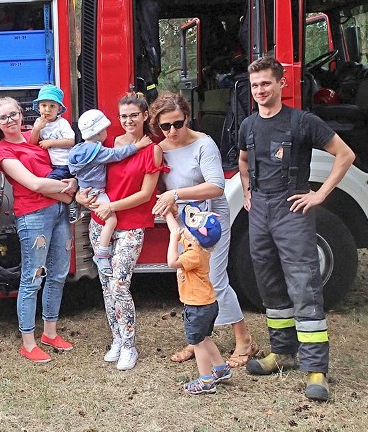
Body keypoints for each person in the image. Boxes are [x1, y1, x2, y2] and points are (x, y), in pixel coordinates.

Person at [238, 56, 355, 401]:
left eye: (266, 83)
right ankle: (282, 352)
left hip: (292, 209)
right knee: (269, 283)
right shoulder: (248, 126)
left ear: (281, 84)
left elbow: (345, 155)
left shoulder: (302, 121)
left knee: (304, 284)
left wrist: (319, 194)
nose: (260, 90)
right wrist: (247, 194)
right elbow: (244, 161)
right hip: (260, 210)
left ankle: (316, 368)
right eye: (255, 85)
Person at [150, 92, 259, 369]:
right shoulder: (161, 148)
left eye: (178, 123)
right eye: (166, 126)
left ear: (186, 117)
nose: (173, 131)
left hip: (211, 220)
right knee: (187, 278)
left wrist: (174, 194)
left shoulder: (203, 144)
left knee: (214, 278)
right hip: (186, 218)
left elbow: (216, 185)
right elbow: (159, 186)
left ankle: (244, 339)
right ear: (157, 126)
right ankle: (197, 338)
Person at [76, 93, 164, 371]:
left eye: (134, 115)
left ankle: (129, 345)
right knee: (105, 284)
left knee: (120, 284)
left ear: (145, 116)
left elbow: (146, 194)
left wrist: (111, 206)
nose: (128, 121)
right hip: (100, 221)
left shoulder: (152, 149)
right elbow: (85, 178)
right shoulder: (108, 145)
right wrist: (81, 197)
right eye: (123, 116)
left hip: (131, 223)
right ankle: (116, 338)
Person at [0, 97, 77, 363]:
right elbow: (35, 184)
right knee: (33, 277)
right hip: (33, 217)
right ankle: (28, 342)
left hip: (58, 213)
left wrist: (73, 180)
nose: (10, 120)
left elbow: (64, 161)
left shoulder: (35, 137)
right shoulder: (4, 152)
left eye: (13, 114)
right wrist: (69, 190)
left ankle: (49, 332)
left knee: (59, 273)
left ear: (21, 114)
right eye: (3, 117)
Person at [68, 109, 152, 275]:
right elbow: (117, 154)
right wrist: (138, 146)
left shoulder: (78, 150)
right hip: (97, 193)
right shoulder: (97, 151)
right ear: (98, 132)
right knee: (111, 220)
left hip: (87, 190)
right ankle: (101, 253)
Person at [164, 203, 233, 395]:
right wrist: (167, 213)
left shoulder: (193, 255)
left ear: (194, 238)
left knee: (198, 343)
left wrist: (172, 240)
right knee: (205, 338)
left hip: (197, 307)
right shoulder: (199, 247)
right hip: (208, 304)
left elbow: (171, 262)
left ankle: (206, 381)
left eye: (190, 228)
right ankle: (221, 369)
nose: (185, 230)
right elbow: (177, 230)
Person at [29, 84, 75, 179]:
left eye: (52, 106)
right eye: (44, 105)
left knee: (49, 182)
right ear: (38, 107)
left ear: (59, 109)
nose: (47, 110)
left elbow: (71, 141)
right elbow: (32, 143)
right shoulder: (38, 122)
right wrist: (36, 129)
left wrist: (50, 143)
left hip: (65, 163)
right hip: (50, 164)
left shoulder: (62, 123)